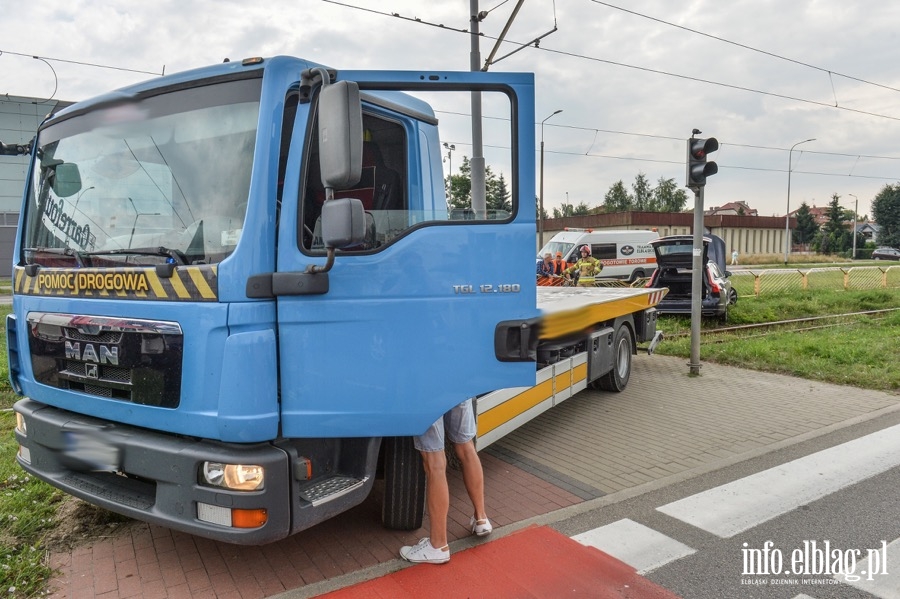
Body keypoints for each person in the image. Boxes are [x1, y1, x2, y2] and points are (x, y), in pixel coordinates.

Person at [399, 399, 492, 564]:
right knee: (466, 447)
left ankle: (438, 545)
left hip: (427, 390)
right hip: (457, 383)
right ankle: (481, 518)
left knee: (434, 462)